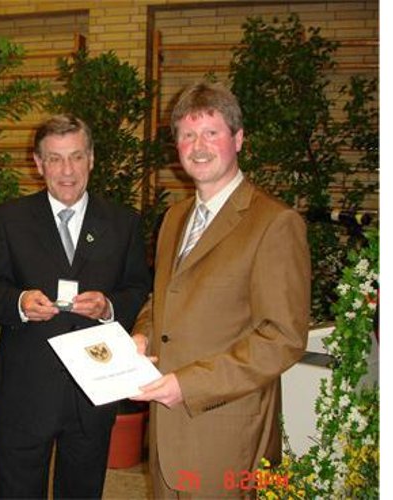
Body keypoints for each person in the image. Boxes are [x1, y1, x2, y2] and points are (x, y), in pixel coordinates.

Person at [129, 82, 311, 497]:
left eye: (212, 133)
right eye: (187, 135)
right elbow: (165, 298)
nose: (199, 146)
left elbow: (282, 338)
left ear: (239, 139)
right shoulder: (174, 218)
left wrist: (188, 385)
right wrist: (142, 334)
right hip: (167, 426)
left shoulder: (274, 223)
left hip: (228, 434)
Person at [0, 114, 152, 498]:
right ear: (38, 164)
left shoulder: (123, 222)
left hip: (93, 390)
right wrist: (20, 303)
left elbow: (139, 288)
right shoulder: (9, 219)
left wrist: (109, 306)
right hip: (26, 391)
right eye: (55, 159)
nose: (67, 170)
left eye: (75, 157)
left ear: (91, 158)